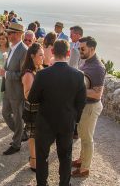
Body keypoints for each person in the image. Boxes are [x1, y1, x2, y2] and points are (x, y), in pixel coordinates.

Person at [28, 40, 86, 186]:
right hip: (66, 122)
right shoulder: (79, 75)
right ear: (68, 53)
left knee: (42, 156)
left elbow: (32, 99)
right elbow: (81, 102)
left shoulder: (42, 74)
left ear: (53, 52)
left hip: (45, 122)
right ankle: (64, 184)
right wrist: (74, 119)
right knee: (65, 156)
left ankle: (42, 184)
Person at [72, 36, 106, 178]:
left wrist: (77, 91)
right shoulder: (86, 61)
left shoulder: (98, 67)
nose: (80, 51)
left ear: (92, 49)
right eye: (79, 48)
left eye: (83, 49)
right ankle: (81, 160)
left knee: (87, 138)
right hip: (85, 106)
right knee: (82, 133)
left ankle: (85, 169)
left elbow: (98, 94)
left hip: (91, 107)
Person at [0, 23, 28, 155]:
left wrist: (5, 73)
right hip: (8, 89)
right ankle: (20, 134)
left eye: (9, 33)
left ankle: (16, 144)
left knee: (18, 117)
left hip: (17, 91)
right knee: (5, 114)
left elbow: (23, 74)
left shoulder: (24, 50)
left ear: (17, 34)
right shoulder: (12, 48)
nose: (7, 35)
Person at [21, 43, 44, 172]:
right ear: (32, 56)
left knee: (37, 134)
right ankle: (33, 161)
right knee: (32, 136)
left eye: (43, 54)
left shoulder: (38, 69)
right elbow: (27, 95)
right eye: (40, 55)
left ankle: (36, 158)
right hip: (32, 109)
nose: (43, 57)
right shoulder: (29, 74)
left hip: (38, 108)